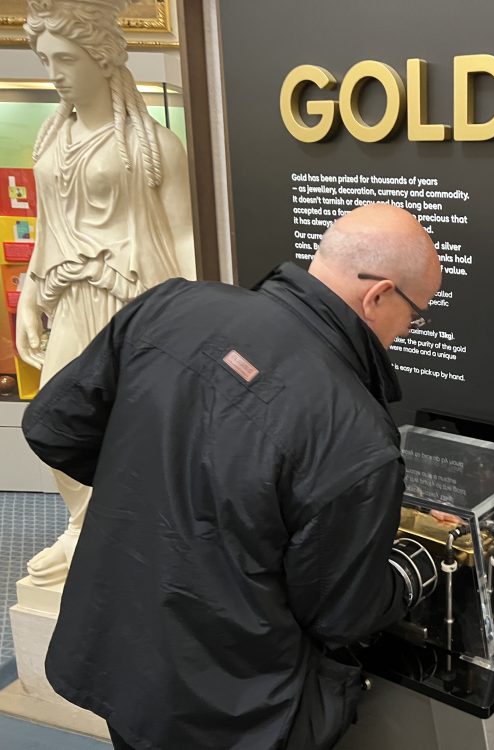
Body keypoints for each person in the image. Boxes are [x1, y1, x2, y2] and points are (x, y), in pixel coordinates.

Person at [21, 203, 443, 750]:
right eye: (417, 313)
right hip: (232, 704)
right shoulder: (357, 437)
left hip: (120, 645)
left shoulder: (171, 303)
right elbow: (341, 614)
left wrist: (155, 484)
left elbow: (54, 429)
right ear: (379, 294)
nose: (410, 329)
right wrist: (416, 564)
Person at [16, 0, 195, 586]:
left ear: (101, 58)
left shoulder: (152, 146)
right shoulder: (49, 141)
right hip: (69, 298)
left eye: (65, 58)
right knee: (57, 416)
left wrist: (199, 323)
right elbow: (47, 227)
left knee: (139, 423)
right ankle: (79, 528)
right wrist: (29, 298)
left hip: (134, 303)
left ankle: (138, 533)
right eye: (45, 58)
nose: (55, 72)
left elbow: (186, 238)